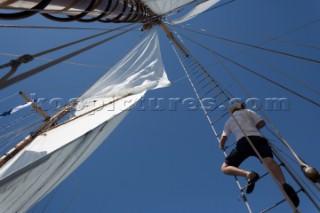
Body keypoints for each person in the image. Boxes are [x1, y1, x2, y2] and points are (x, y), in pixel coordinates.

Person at [219, 102, 299, 207]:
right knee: (269, 162)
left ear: (232, 111)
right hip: (258, 139)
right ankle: (283, 183)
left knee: (225, 168)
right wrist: (253, 128)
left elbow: (223, 139)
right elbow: (261, 123)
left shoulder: (229, 121)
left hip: (243, 142)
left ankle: (249, 174)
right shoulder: (247, 111)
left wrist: (221, 145)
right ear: (240, 107)